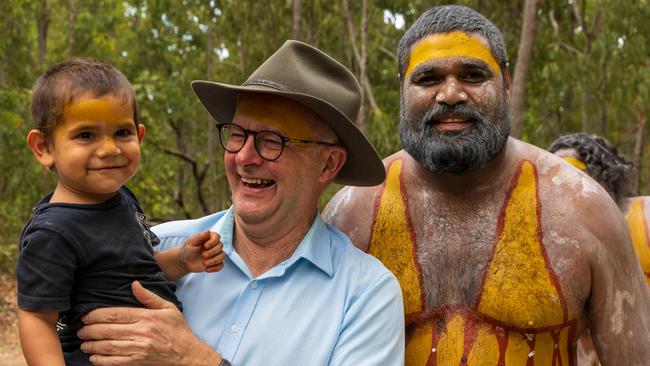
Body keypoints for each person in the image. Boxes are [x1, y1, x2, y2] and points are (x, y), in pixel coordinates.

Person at [324, 5, 650, 365]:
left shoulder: (583, 210)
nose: (450, 95)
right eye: (428, 79)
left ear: (506, 82)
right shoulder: (351, 215)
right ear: (402, 86)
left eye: (473, 75)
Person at [77, 40, 405, 366]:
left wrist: (192, 359)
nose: (244, 157)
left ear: (328, 164)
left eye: (271, 141)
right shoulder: (159, 250)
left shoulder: (365, 297)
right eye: (237, 134)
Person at [18, 58, 224, 366]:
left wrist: (181, 260)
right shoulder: (54, 232)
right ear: (44, 148)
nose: (110, 149)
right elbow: (36, 319)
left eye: (122, 133)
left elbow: (139, 268)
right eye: (86, 135)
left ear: (139, 136)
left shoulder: (123, 199)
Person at [550, 132, 650, 365]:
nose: (560, 188)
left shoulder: (643, 215)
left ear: (604, 174)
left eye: (573, 174)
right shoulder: (556, 240)